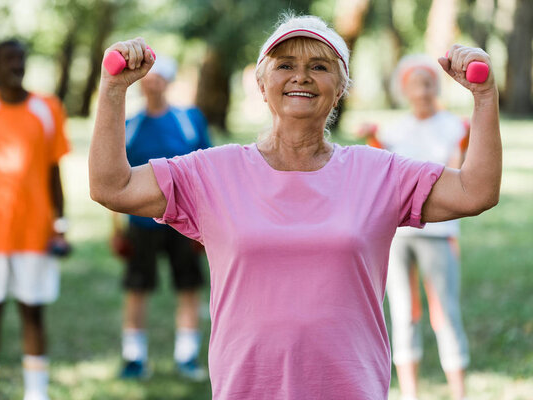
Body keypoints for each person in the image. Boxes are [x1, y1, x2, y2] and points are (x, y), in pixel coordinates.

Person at [88, 14, 501, 400]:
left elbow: (475, 191)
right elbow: (112, 185)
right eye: (285, 64)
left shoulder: (379, 172)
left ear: (340, 87)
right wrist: (113, 89)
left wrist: (484, 96)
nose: (301, 75)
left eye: (320, 66)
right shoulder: (212, 172)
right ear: (262, 83)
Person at [0, 39, 70, 400]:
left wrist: (61, 227)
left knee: (33, 311)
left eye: (21, 58)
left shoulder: (47, 108)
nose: (16, 65)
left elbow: (55, 173)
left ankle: (36, 392)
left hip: (35, 230)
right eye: (9, 59)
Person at [357, 55, 471, 400]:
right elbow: (383, 177)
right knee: (403, 314)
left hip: (439, 233)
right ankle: (409, 394)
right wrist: (373, 138)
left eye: (428, 83)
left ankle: (460, 392)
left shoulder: (455, 126)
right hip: (398, 235)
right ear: (404, 90)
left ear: (436, 86)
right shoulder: (394, 131)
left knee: (445, 312)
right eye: (415, 84)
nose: (422, 91)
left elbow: (459, 177)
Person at [111, 54, 212, 380]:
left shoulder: (189, 120)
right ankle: (134, 357)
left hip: (186, 223)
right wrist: (116, 229)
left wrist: (207, 228)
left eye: (159, 77)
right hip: (140, 223)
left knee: (188, 286)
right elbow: (115, 180)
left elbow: (208, 171)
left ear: (168, 81)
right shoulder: (130, 126)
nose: (152, 83)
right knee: (137, 288)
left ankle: (186, 357)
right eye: (148, 78)